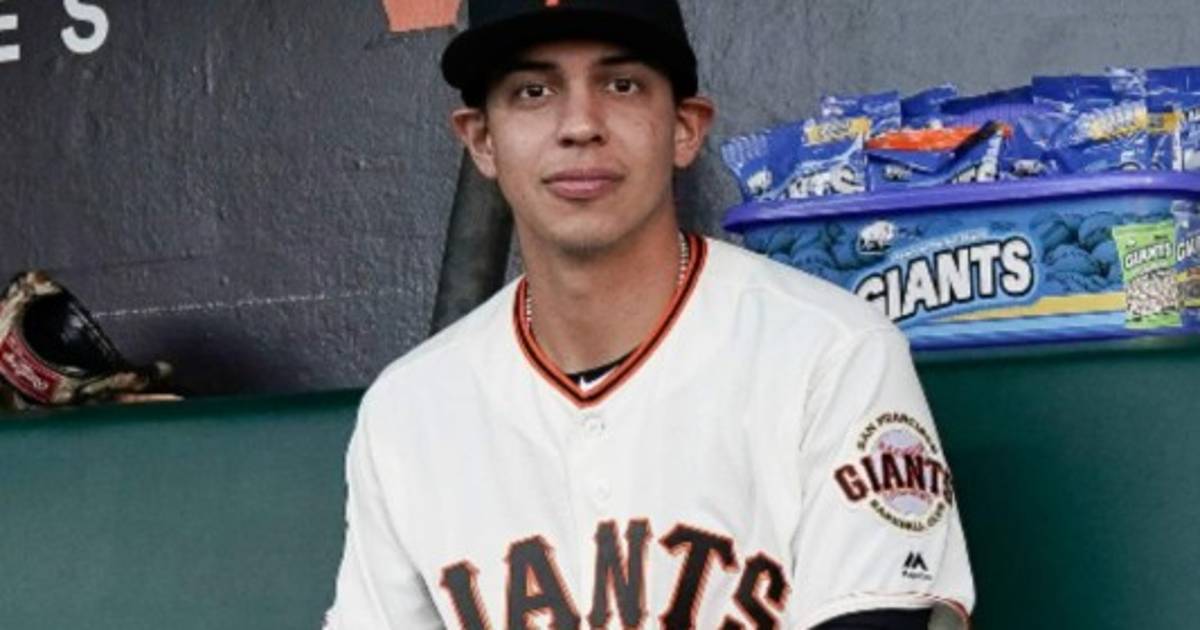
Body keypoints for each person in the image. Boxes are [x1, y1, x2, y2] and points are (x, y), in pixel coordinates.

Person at [325, 1, 974, 628]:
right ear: (482, 141)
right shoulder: (408, 410)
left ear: (686, 128)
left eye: (622, 85)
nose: (580, 125)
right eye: (532, 92)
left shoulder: (831, 355)